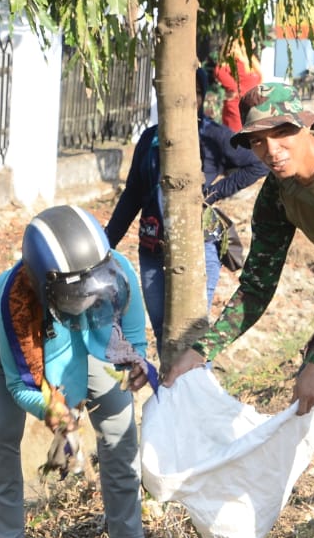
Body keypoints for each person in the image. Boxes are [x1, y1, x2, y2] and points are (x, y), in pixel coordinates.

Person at [163, 82, 314, 538]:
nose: (270, 150)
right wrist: (202, 350)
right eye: (257, 141)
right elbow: (257, 285)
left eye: (280, 134)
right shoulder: (278, 194)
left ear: (305, 125)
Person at [0, 204, 152, 538]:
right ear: (45, 285)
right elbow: (20, 385)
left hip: (93, 342)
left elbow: (133, 337)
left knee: (119, 424)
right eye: (78, 296)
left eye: (95, 290)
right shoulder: (17, 302)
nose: (89, 300)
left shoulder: (117, 272)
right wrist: (51, 408)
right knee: (1, 436)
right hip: (17, 351)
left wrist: (137, 361)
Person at [104, 68, 268, 342]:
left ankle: (196, 385)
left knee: (192, 341)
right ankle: (172, 387)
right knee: (163, 336)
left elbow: (258, 164)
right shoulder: (149, 138)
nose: (186, 99)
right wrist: (106, 243)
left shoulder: (212, 135)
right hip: (151, 249)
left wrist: (213, 193)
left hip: (198, 248)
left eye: (196, 94)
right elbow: (132, 195)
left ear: (202, 97)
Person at [213, 38, 262, 131]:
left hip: (251, 109)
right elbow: (219, 71)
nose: (254, 44)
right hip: (236, 109)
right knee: (237, 140)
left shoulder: (250, 60)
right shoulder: (234, 61)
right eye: (250, 40)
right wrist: (236, 89)